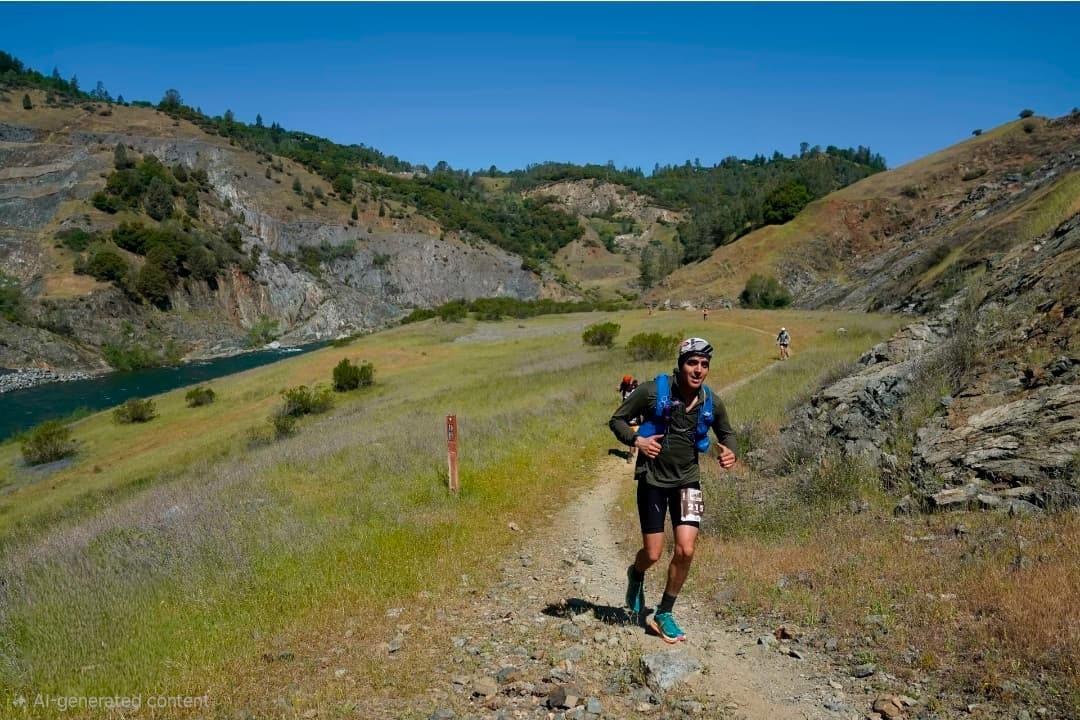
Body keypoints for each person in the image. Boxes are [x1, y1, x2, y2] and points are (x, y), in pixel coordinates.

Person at [609, 338, 738, 643]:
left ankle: (665, 612)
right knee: (652, 553)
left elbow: (728, 434)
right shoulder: (652, 391)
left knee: (686, 549)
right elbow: (617, 420)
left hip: (688, 482)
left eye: (704, 365)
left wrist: (730, 452)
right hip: (653, 481)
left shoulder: (711, 402)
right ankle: (636, 574)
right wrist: (637, 441)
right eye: (692, 363)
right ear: (680, 365)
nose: (698, 370)